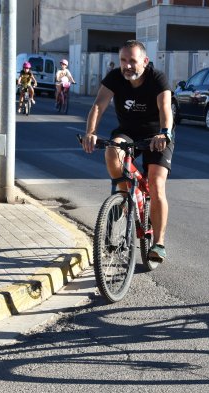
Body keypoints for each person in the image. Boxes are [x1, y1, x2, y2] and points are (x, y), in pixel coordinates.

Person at [81, 40, 174, 262]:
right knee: (112, 151)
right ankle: (125, 198)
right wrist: (91, 131)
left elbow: (165, 108)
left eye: (132, 61)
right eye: (123, 60)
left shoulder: (157, 78)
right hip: (128, 131)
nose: (127, 66)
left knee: (156, 183)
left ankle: (158, 243)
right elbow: (98, 105)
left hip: (157, 134)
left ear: (145, 61)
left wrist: (164, 133)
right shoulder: (115, 77)